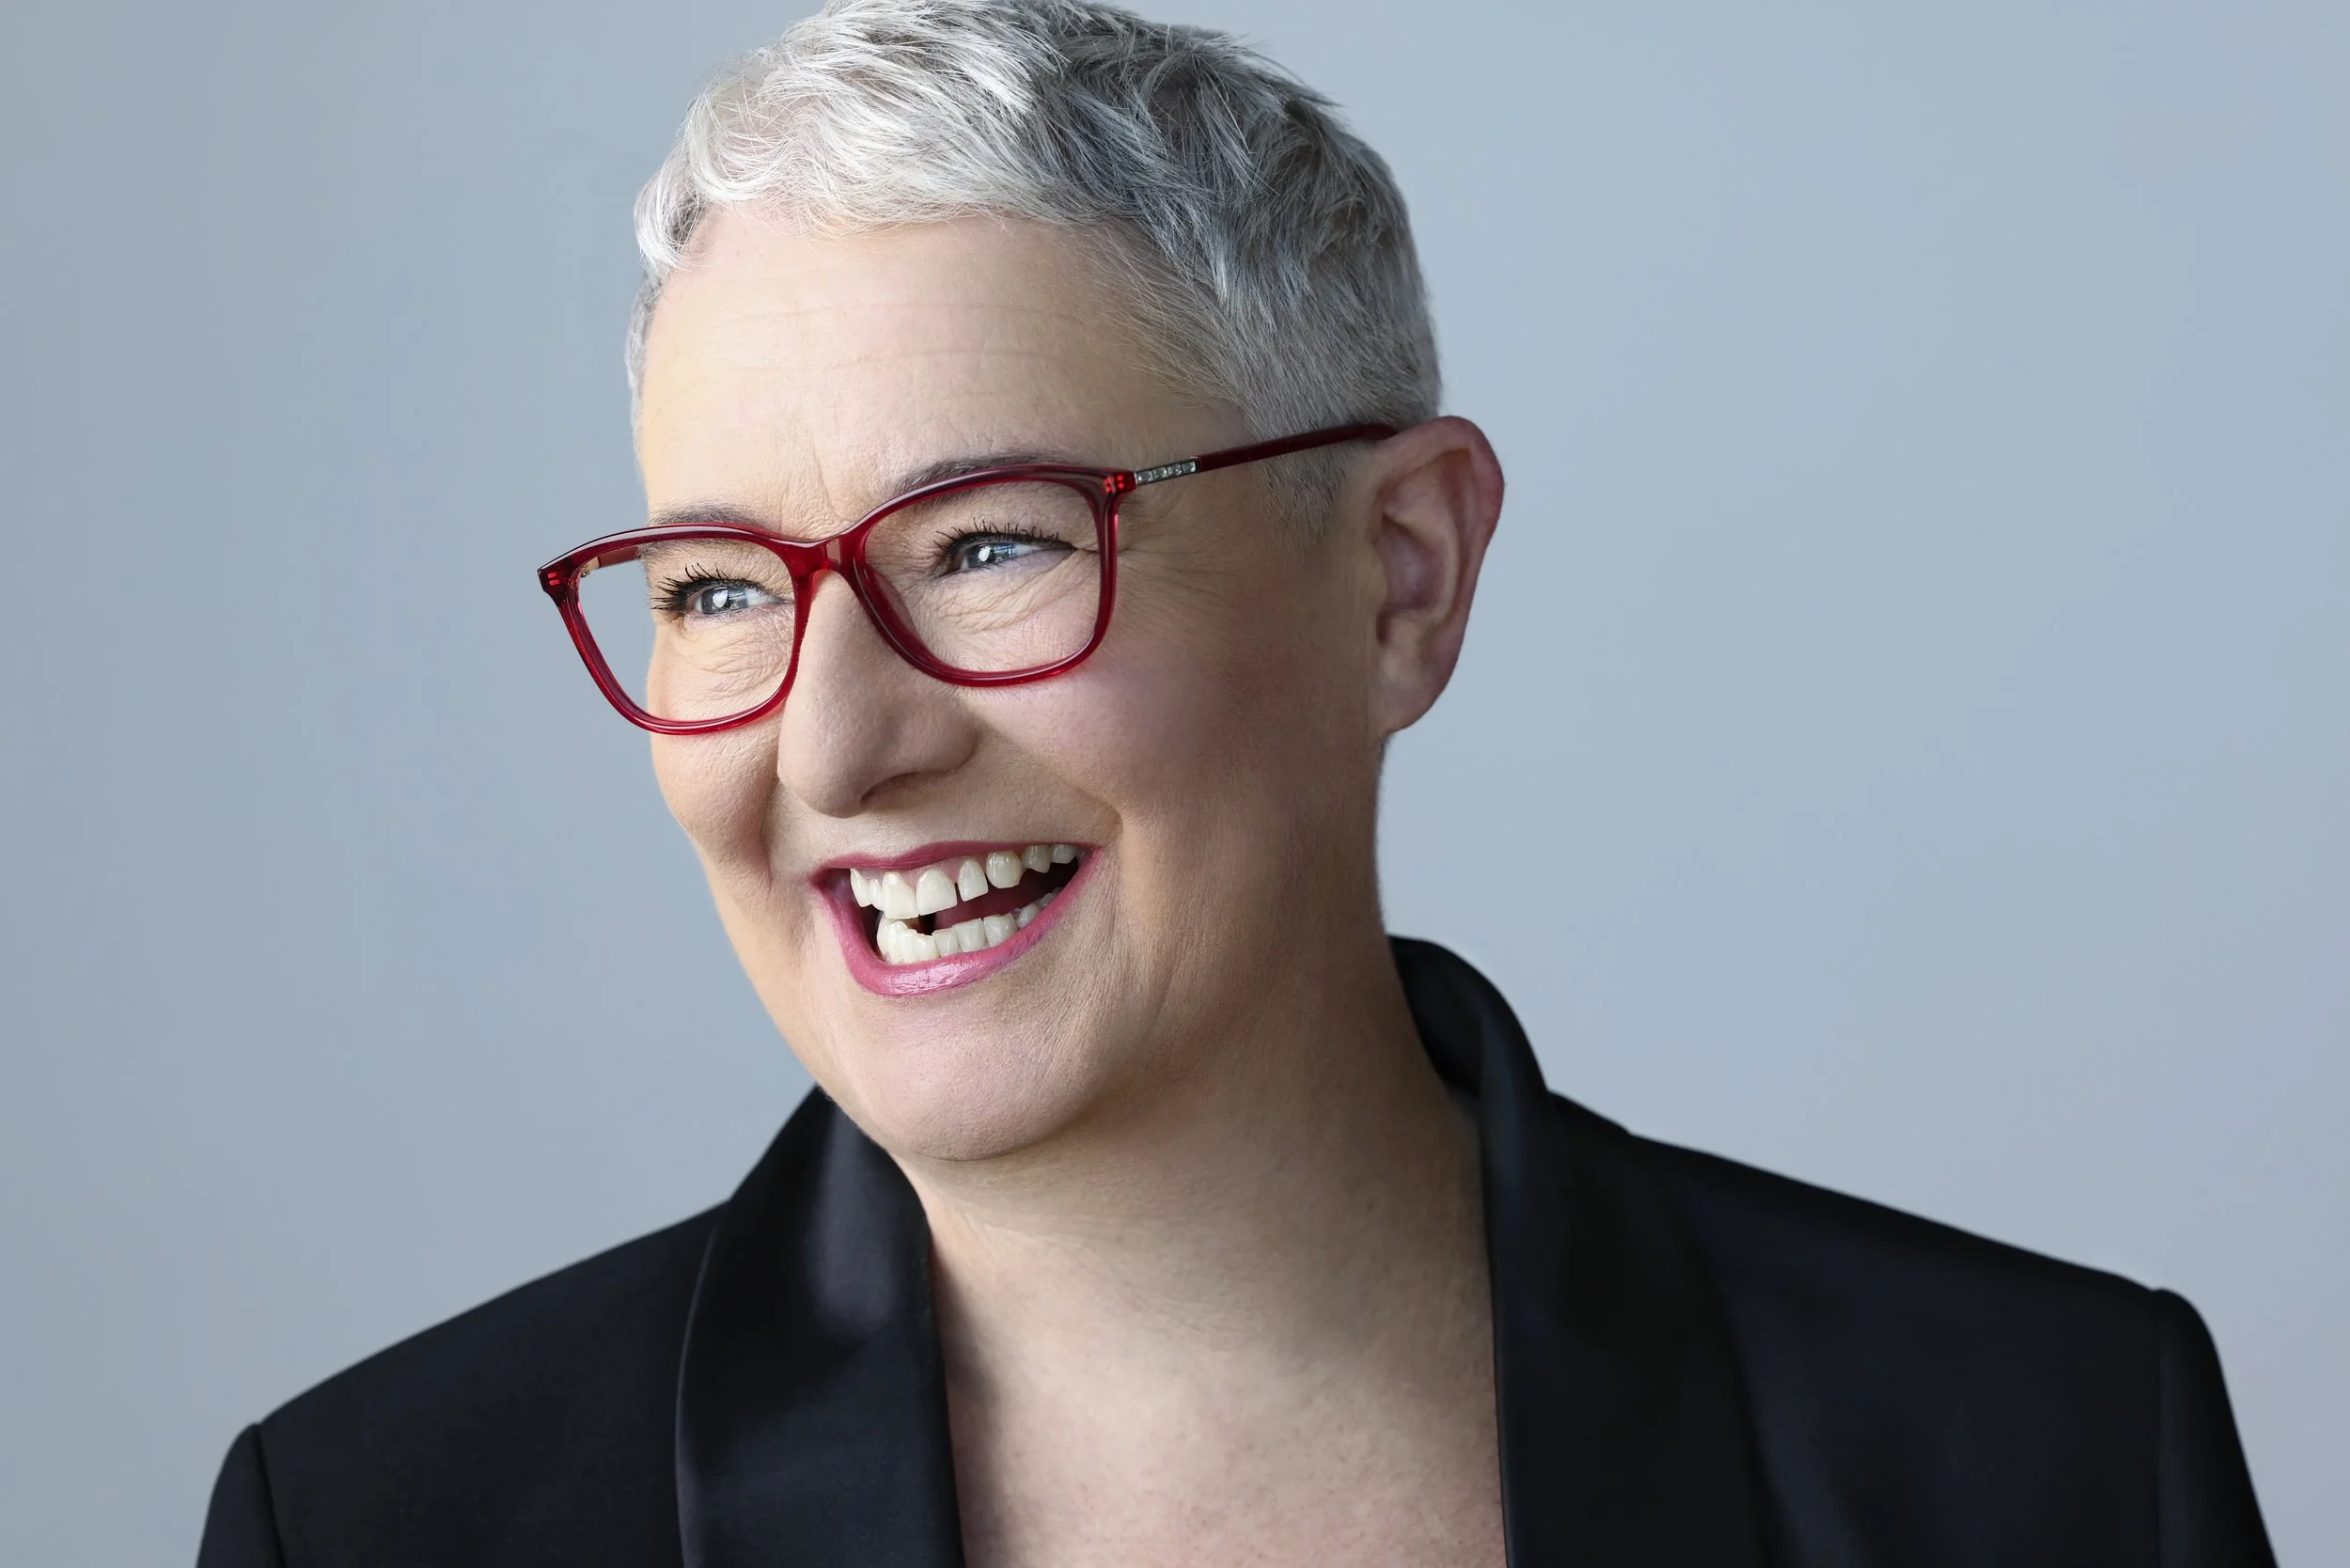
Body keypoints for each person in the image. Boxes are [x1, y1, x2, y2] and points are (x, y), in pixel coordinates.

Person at [196, 2, 2276, 1563]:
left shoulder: (2049, 1459)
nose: (831, 741)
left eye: (990, 543)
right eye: (722, 588)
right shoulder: (385, 1521)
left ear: (1398, 576)